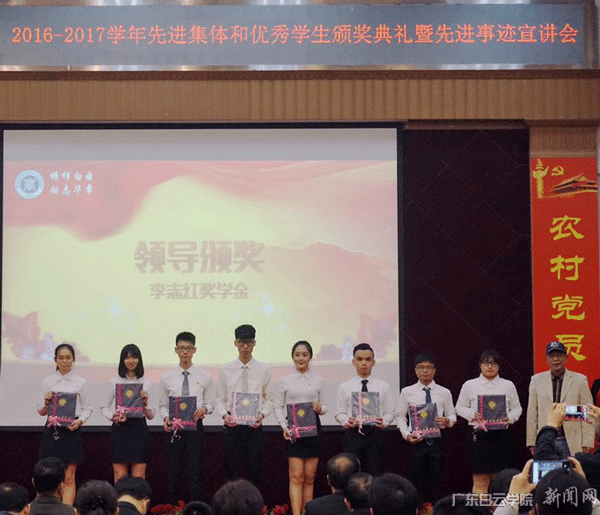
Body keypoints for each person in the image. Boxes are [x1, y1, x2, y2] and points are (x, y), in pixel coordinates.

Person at [455, 349, 522, 494]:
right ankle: (481, 507)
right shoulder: (469, 385)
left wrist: (510, 418)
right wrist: (472, 414)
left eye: (494, 364)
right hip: (479, 437)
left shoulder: (508, 385)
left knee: (501, 480)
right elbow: (459, 407)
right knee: (480, 480)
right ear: (480, 365)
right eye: (486, 363)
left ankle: (499, 507)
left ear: (499, 366)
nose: (490, 367)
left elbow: (517, 409)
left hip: (501, 436)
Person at [159, 332, 214, 503]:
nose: (185, 352)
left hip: (195, 429)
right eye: (181, 348)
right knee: (174, 472)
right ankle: (172, 509)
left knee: (195, 471)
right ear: (175, 350)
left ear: (194, 350)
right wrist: (165, 418)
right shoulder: (166, 377)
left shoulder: (204, 376)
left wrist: (204, 409)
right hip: (175, 430)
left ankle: (195, 508)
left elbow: (211, 404)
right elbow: (162, 406)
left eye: (188, 348)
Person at [274, 341, 327, 515]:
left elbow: (326, 406)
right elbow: (277, 405)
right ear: (293, 357)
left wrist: (321, 408)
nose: (301, 358)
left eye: (304, 355)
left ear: (310, 357)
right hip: (293, 430)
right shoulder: (285, 381)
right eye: (297, 355)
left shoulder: (319, 380)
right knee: (296, 477)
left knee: (309, 478)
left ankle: (307, 513)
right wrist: (284, 426)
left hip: (313, 430)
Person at [397, 351, 456, 505]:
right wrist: (407, 435)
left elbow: (452, 415)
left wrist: (447, 421)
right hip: (416, 442)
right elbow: (400, 416)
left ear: (434, 370)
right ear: (415, 370)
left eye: (429, 367)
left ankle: (437, 509)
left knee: (437, 479)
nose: (425, 371)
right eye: (421, 367)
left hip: (437, 441)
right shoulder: (407, 392)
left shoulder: (444, 392)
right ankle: (418, 509)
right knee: (416, 480)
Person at [216, 324, 272, 482]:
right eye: (242, 342)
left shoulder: (264, 369)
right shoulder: (225, 369)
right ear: (235, 343)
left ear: (254, 343)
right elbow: (220, 399)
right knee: (231, 472)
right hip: (232, 425)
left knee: (254, 470)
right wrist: (224, 415)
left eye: (249, 342)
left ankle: (254, 498)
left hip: (254, 425)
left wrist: (262, 415)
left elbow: (269, 399)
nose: (245, 347)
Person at [37, 344, 92, 505]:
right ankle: (49, 509)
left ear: (73, 359)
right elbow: (41, 411)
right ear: (55, 360)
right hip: (52, 431)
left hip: (71, 431)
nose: (64, 361)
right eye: (61, 358)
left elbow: (87, 408)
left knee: (69, 476)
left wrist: (80, 420)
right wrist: (46, 404)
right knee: (49, 474)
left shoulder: (81, 382)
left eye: (68, 358)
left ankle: (66, 510)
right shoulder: (48, 381)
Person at [335, 343, 395, 476]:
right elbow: (339, 413)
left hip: (375, 434)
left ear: (373, 362)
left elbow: (390, 413)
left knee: (374, 474)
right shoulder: (345, 387)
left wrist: (384, 421)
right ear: (353, 362)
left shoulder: (383, 386)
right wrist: (347, 421)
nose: (364, 363)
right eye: (359, 359)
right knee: (352, 473)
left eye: (368, 359)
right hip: (353, 435)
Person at [526, 340, 594, 457]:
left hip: (572, 439)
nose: (556, 359)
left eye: (559, 355)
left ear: (566, 358)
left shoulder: (580, 380)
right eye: (552, 356)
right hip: (546, 439)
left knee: (573, 468)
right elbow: (532, 413)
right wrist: (531, 441)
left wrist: (587, 441)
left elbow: (587, 412)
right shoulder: (536, 380)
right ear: (546, 359)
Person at [100, 344, 154, 483]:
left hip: (138, 429)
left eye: (134, 357)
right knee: (120, 475)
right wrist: (112, 417)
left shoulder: (146, 383)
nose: (131, 361)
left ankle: (138, 499)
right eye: (127, 358)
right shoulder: (114, 382)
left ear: (139, 360)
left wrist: (145, 403)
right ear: (122, 360)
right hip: (120, 429)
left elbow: (151, 415)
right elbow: (104, 407)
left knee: (139, 475)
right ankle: (120, 498)